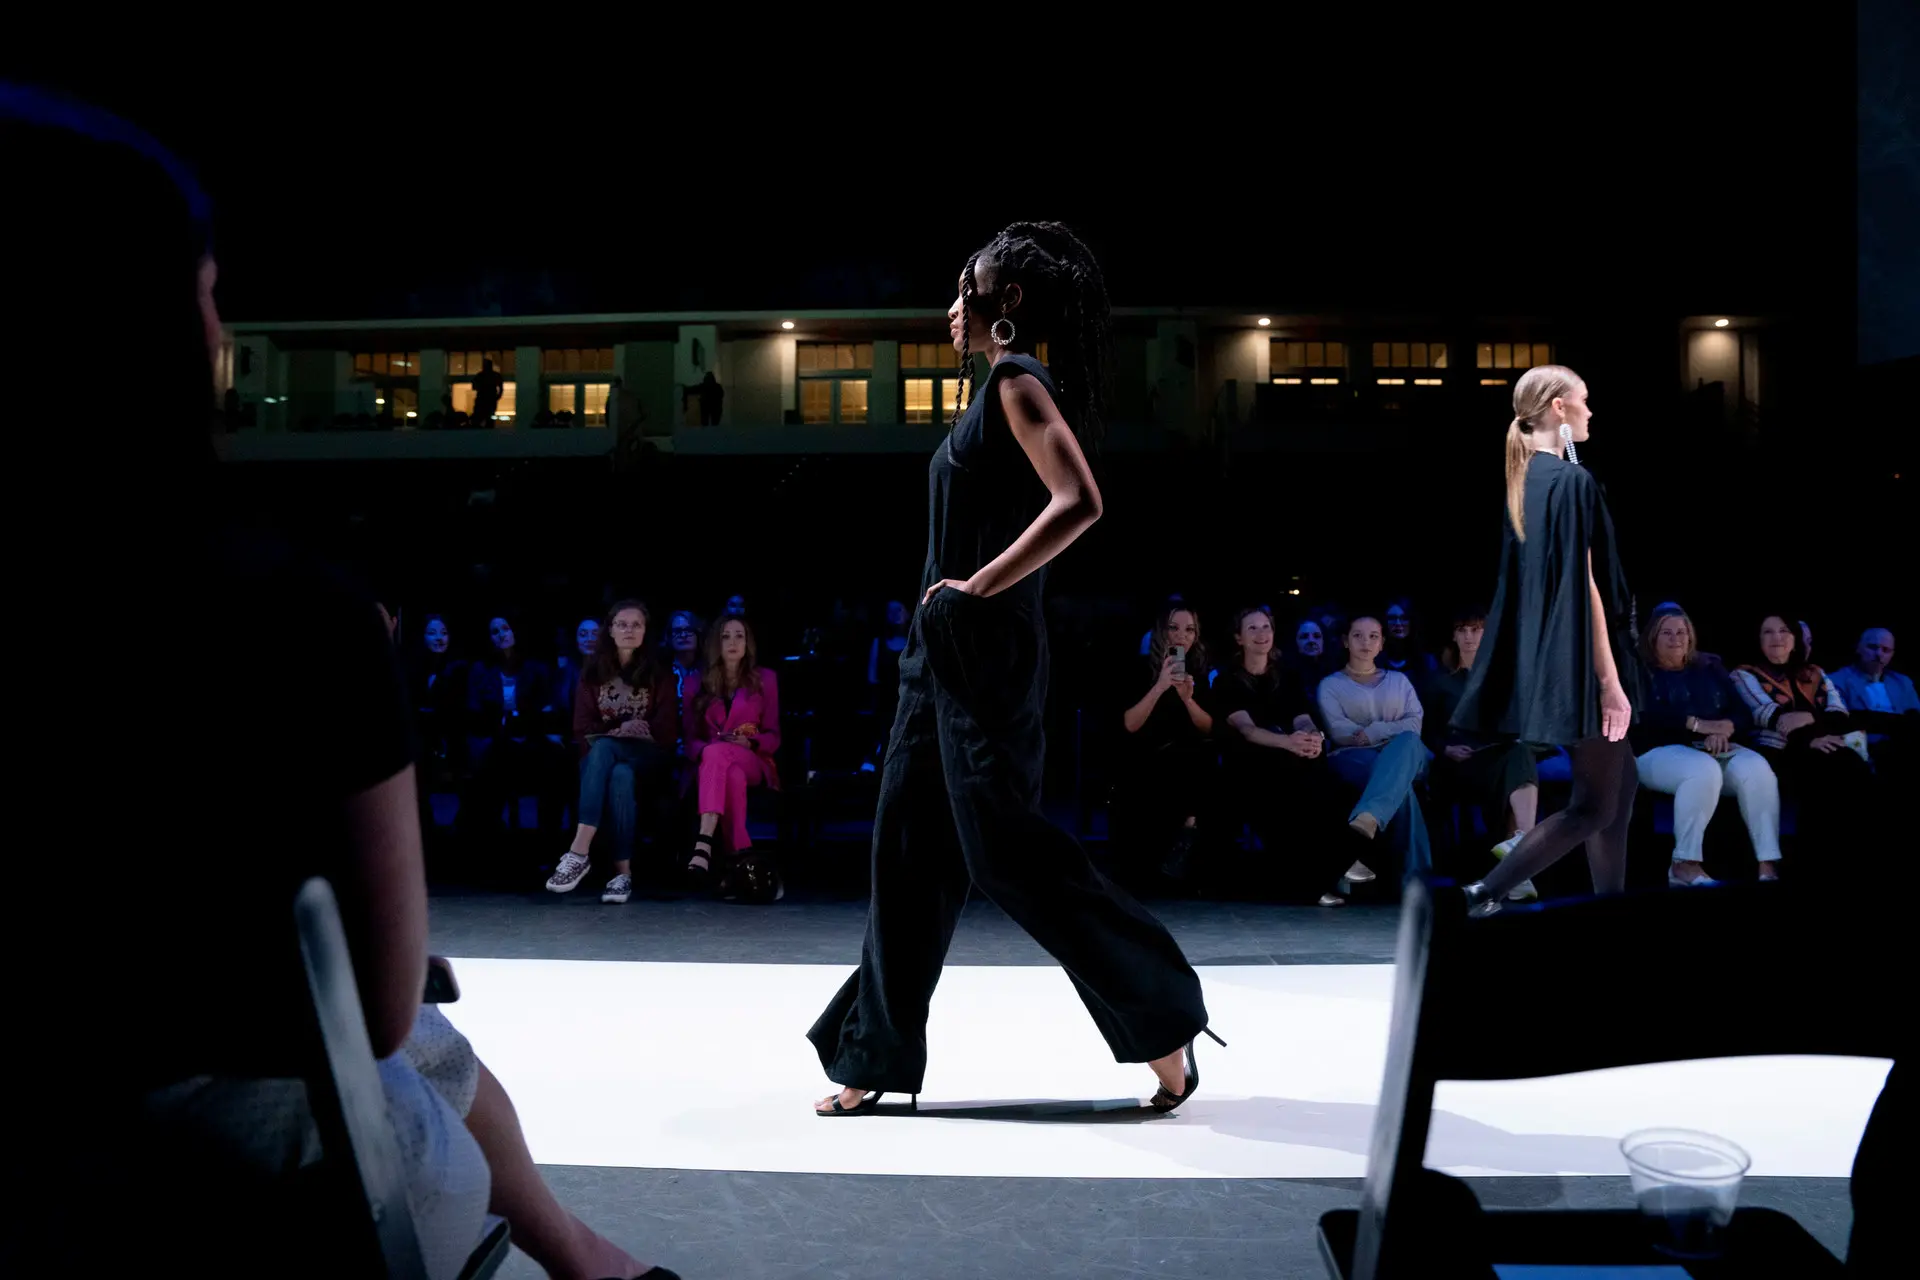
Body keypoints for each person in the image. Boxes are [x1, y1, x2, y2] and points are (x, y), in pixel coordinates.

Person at [8, 86, 677, 1280]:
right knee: (412, 1026)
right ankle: (581, 1253)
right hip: (229, 1174)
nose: (220, 333)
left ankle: (582, 1253)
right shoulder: (293, 614)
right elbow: (363, 1007)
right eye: (208, 296)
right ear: (155, 326)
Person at [808, 222, 1216, 1119]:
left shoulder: (1016, 381)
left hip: (986, 657)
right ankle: (873, 1054)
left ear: (1008, 306)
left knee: (1007, 858)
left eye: (967, 292)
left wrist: (975, 587)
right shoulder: (983, 397)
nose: (952, 307)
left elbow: (1083, 502)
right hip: (936, 661)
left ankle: (1162, 1019)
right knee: (904, 857)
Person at [1451, 365, 1642, 916]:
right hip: (1582, 665)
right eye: (1584, 400)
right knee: (1592, 807)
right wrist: (1609, 682)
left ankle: (1612, 907)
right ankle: (1482, 893)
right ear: (1558, 407)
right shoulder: (1570, 481)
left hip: (1553, 663)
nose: (1590, 410)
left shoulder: (1524, 484)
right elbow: (1584, 589)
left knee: (1619, 791)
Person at [1632, 604, 1782, 885]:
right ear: (1653, 637)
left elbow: (1741, 712)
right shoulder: (1639, 671)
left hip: (1712, 748)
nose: (1676, 638)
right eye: (1667, 633)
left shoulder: (1710, 666)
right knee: (1702, 770)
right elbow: (1644, 718)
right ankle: (1684, 864)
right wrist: (1696, 726)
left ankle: (1767, 865)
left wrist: (1726, 729)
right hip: (1655, 752)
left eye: (1681, 632)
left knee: (1758, 770)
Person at [1212, 606, 1353, 905]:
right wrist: (1289, 743)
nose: (1262, 634)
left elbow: (1301, 716)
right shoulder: (1227, 680)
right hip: (1249, 761)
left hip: (1288, 755)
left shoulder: (1286, 676)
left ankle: (1332, 868)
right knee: (1288, 779)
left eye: (1266, 627)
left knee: (1318, 773)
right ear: (1238, 638)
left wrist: (1312, 736)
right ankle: (1317, 879)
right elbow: (1248, 730)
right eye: (1252, 628)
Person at [546, 601, 680, 904]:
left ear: (646, 631)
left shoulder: (660, 672)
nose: (629, 630)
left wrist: (638, 729)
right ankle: (623, 874)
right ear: (611, 630)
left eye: (636, 625)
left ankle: (579, 852)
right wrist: (619, 727)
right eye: (622, 624)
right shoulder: (591, 672)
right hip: (601, 759)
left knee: (609, 750)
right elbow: (580, 728)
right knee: (618, 773)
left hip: (648, 756)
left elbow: (668, 731)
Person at [1729, 612, 1878, 858]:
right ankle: (1809, 857)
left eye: (1784, 631)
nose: (1777, 637)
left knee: (1855, 770)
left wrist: (1811, 719)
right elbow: (1772, 717)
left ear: (1795, 638)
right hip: (1778, 751)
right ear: (1758, 638)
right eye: (1768, 631)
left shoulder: (1815, 672)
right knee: (1824, 772)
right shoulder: (1744, 674)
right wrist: (1811, 738)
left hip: (1823, 743)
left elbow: (1840, 713)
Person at [1422, 605, 1540, 899]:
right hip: (1457, 764)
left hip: (1497, 757)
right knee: (1517, 765)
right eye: (1463, 630)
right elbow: (1424, 730)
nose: (1469, 637)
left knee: (1520, 755)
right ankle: (1521, 862)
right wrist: (1445, 749)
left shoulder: (1504, 680)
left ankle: (1520, 846)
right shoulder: (1441, 681)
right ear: (1454, 635)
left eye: (1476, 630)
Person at [1318, 614, 1434, 883]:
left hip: (1407, 753)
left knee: (1406, 746)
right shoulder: (1331, 685)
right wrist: (1389, 733)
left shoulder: (1399, 681)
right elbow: (1340, 732)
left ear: (1382, 643)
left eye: (1373, 636)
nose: (1366, 642)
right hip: (1353, 758)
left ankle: (1368, 818)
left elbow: (1414, 725)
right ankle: (1415, 877)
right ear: (1346, 641)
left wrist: (1372, 732)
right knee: (1397, 782)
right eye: (1358, 635)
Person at [683, 615, 783, 897]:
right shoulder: (694, 683)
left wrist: (750, 743)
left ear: (748, 642)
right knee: (728, 772)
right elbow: (689, 740)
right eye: (725, 636)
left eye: (739, 635)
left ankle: (703, 843)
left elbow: (774, 736)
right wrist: (707, 751)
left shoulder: (766, 679)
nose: (733, 642)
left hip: (754, 759)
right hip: (713, 766)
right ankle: (739, 855)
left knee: (728, 762)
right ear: (715, 643)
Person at [1119, 602, 1215, 881]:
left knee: (1199, 758)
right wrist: (1159, 687)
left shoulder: (1199, 670)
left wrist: (1188, 699)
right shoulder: (1138, 669)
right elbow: (1129, 724)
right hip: (1145, 753)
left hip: (1189, 755)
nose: (1181, 636)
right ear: (1162, 631)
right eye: (1174, 628)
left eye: (1189, 630)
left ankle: (1188, 832)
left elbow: (1209, 726)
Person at [462, 613, 569, 854]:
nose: (501, 634)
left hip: (529, 741)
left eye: (506, 628)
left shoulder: (535, 668)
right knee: (496, 760)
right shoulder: (480, 669)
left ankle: (548, 845)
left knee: (554, 763)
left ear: (516, 632)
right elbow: (476, 714)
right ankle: (497, 846)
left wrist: (518, 721)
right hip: (495, 745)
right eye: (495, 631)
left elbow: (546, 710)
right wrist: (513, 721)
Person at [1829, 627, 1918, 780]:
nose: (1879, 655)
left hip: (1901, 751)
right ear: (1858, 648)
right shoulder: (1837, 680)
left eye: (1886, 650)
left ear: (1892, 655)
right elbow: (1842, 721)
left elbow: (1914, 719)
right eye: (1872, 647)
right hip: (1860, 752)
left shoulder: (1903, 683)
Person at [471, 357, 504, 425]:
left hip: (486, 399)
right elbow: (501, 388)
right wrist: (498, 396)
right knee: (486, 419)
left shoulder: (481, 375)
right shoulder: (484, 375)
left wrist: (497, 396)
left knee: (485, 419)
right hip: (486, 399)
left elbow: (474, 386)